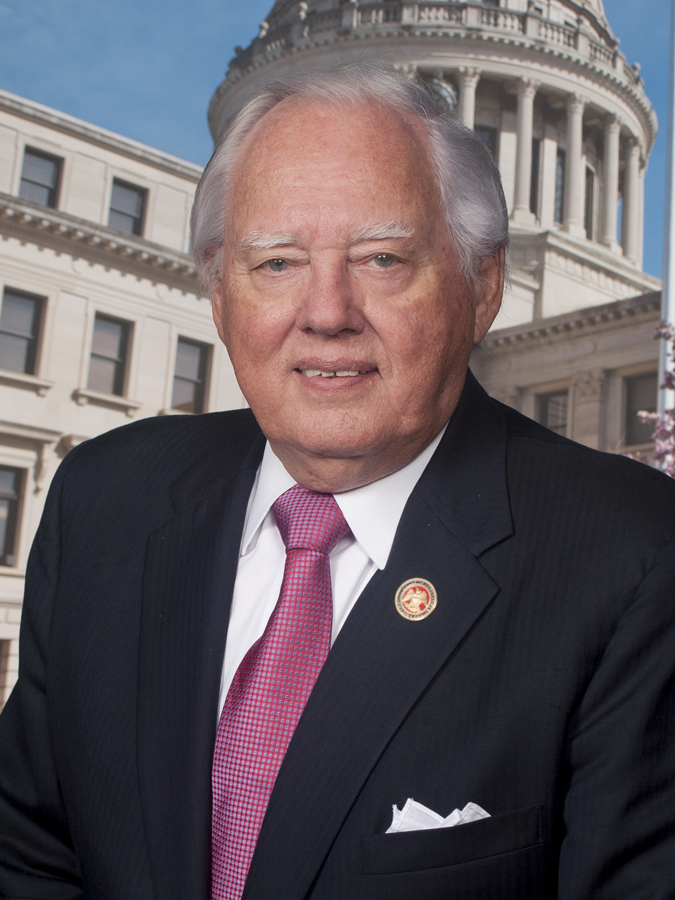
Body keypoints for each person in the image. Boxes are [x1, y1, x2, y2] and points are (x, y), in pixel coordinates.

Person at [1, 64, 674, 900]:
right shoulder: (103, 497)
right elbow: (29, 852)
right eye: (276, 262)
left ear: (483, 285)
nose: (325, 313)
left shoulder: (633, 557)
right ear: (218, 291)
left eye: (381, 258)